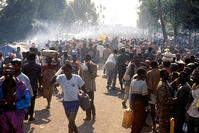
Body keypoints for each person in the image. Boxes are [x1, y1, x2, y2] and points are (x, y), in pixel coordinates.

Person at [52, 63, 86, 133]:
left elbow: (84, 87)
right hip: (66, 103)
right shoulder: (61, 77)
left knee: (70, 122)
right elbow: (51, 82)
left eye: (67, 70)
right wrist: (59, 71)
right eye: (64, 71)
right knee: (72, 123)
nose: (66, 73)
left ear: (71, 70)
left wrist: (86, 96)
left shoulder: (77, 78)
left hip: (75, 102)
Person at [0, 64, 30, 133]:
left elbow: (27, 100)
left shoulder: (21, 85)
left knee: (18, 130)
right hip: (3, 114)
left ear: (13, 72)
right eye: (6, 71)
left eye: (10, 71)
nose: (8, 73)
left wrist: (14, 104)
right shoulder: (0, 83)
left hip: (17, 113)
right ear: (3, 72)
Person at [22, 52, 42, 121]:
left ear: (28, 58)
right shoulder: (38, 66)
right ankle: (31, 116)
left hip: (25, 86)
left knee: (25, 100)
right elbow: (39, 77)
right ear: (35, 58)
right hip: (34, 86)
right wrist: (40, 85)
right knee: (32, 101)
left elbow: (23, 77)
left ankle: (26, 113)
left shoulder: (24, 66)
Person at [130, 68, 148, 133]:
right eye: (145, 74)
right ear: (141, 74)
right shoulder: (143, 83)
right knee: (139, 121)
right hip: (140, 104)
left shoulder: (133, 81)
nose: (146, 75)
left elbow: (131, 93)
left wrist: (131, 104)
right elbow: (144, 96)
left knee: (134, 119)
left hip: (133, 102)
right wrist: (146, 106)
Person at [80, 55, 97, 121]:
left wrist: (89, 68)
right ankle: (88, 116)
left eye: (87, 59)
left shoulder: (93, 66)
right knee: (86, 102)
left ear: (90, 60)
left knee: (91, 102)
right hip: (84, 87)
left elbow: (93, 76)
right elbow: (80, 76)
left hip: (90, 87)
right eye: (85, 59)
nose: (86, 61)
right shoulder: (82, 66)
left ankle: (93, 114)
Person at [146, 61, 160, 131]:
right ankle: (158, 121)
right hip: (160, 93)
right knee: (159, 108)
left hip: (152, 93)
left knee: (152, 108)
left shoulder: (149, 73)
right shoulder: (160, 72)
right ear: (157, 65)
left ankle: (154, 124)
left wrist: (148, 94)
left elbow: (149, 85)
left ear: (151, 66)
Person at [186, 68, 199, 133]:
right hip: (191, 113)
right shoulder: (194, 85)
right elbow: (191, 98)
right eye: (193, 75)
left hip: (197, 116)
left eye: (194, 75)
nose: (192, 77)